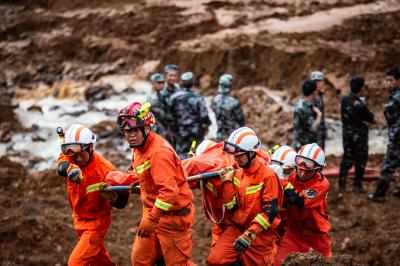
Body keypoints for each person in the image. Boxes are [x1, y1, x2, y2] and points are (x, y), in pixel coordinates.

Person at [117, 101, 195, 265]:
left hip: (172, 219)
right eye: (126, 131)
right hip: (153, 212)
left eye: (133, 130)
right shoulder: (138, 147)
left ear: (146, 128)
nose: (129, 135)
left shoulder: (159, 153)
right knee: (140, 261)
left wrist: (152, 219)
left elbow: (169, 193)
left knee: (177, 263)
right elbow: (142, 172)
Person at [207, 127, 283, 266]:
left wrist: (250, 234)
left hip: (260, 235)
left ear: (251, 153)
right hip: (237, 228)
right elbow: (231, 206)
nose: (235, 159)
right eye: (234, 155)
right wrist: (228, 182)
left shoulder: (268, 176)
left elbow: (269, 212)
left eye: (239, 155)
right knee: (215, 261)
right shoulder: (237, 172)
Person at [56, 124, 118, 266]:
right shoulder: (71, 156)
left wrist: (115, 198)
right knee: (98, 257)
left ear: (90, 148)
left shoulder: (105, 170)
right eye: (73, 155)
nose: (76, 158)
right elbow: (61, 164)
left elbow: (122, 201)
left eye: (80, 154)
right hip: (78, 217)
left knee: (75, 262)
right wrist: (69, 168)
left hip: (96, 223)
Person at [275, 143, 331, 265]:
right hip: (293, 233)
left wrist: (283, 182)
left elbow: (297, 200)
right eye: (300, 166)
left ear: (318, 169)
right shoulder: (291, 176)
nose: (303, 172)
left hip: (316, 236)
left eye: (308, 169)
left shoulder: (322, 184)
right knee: (278, 263)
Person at [182, 139, 236, 246]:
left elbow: (186, 167)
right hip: (221, 222)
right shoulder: (220, 161)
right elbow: (191, 182)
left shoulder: (208, 162)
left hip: (233, 221)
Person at [339, 76, 375, 196]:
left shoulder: (344, 100)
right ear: (361, 88)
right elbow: (370, 118)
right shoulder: (360, 104)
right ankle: (357, 185)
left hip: (346, 134)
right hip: (359, 137)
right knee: (361, 159)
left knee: (347, 158)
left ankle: (342, 184)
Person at [368, 67, 400, 202]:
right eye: (387, 80)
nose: (387, 83)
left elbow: (390, 118)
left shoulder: (396, 98)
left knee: (388, 167)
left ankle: (379, 195)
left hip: (397, 137)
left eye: (390, 80)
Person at [170, 71, 211, 158]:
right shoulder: (198, 97)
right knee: (196, 155)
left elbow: (169, 116)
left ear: (182, 82)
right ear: (192, 82)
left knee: (180, 155)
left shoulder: (174, 97)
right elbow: (204, 116)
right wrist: (206, 126)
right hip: (195, 133)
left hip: (180, 133)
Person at [211, 74, 245, 141]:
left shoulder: (214, 100)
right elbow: (241, 121)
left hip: (220, 135)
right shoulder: (234, 102)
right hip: (233, 137)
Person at [293, 80, 322, 150]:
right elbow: (313, 128)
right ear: (314, 92)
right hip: (305, 148)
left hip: (304, 145)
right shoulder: (304, 108)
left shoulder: (303, 103)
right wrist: (319, 116)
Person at [159, 64, 181, 147]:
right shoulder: (161, 92)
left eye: (175, 76)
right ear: (165, 76)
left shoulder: (179, 90)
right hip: (165, 129)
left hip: (178, 128)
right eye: (170, 75)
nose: (173, 78)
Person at [310, 71, 327, 150]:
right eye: (316, 81)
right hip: (313, 131)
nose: (318, 84)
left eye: (319, 81)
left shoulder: (320, 95)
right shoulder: (310, 96)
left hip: (321, 130)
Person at [148, 73, 169, 137]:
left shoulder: (163, 95)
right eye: (159, 83)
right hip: (155, 127)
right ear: (153, 83)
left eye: (163, 82)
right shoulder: (150, 97)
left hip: (164, 126)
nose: (161, 85)